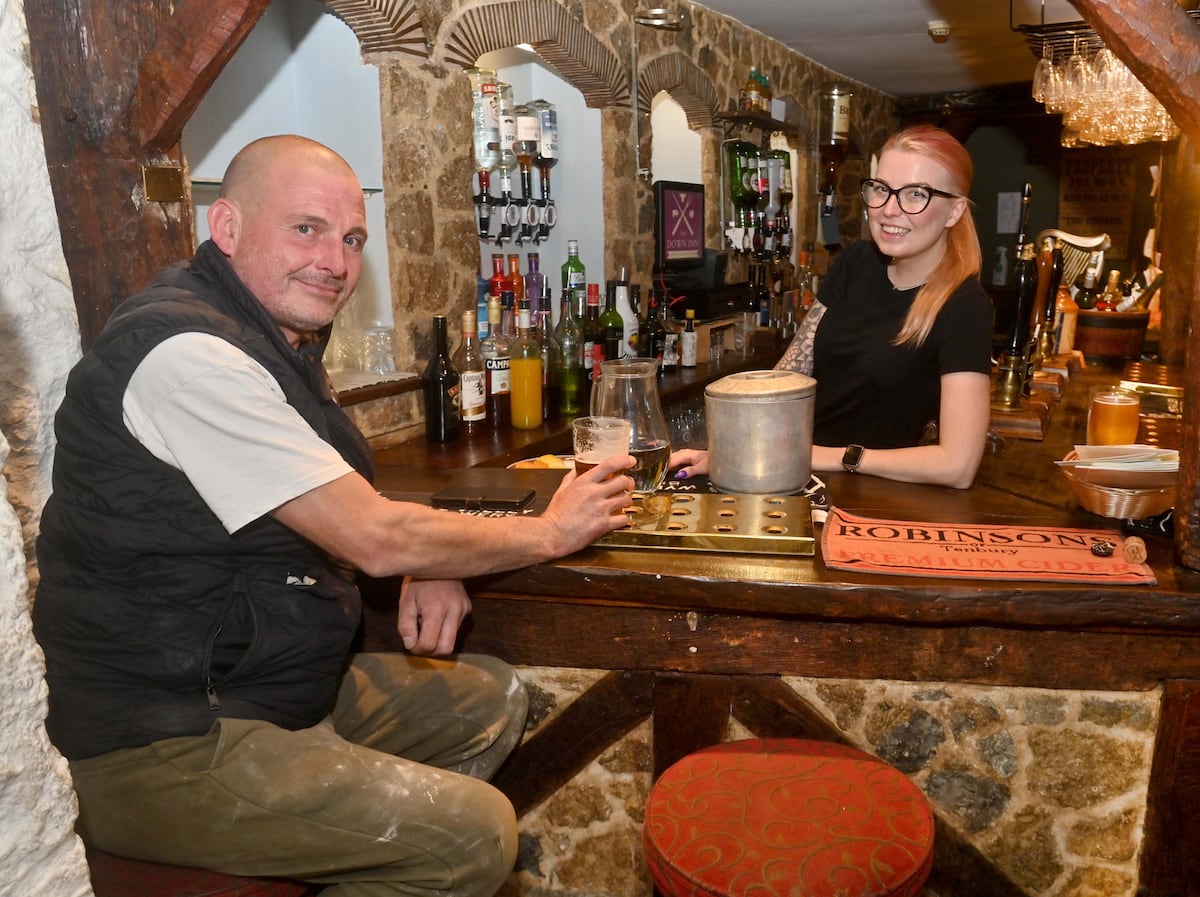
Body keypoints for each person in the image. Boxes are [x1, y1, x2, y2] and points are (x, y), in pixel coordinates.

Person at [32, 134, 635, 897]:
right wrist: (552, 529)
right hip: (162, 737)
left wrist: (431, 554)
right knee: (473, 836)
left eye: (351, 238)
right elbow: (371, 534)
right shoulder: (186, 354)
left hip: (263, 691)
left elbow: (338, 509)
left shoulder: (273, 343)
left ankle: (352, 850)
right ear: (227, 229)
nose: (336, 261)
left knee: (488, 699)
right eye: (306, 229)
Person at [673, 125, 992, 489]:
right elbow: (791, 370)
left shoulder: (964, 308)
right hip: (791, 474)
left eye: (916, 194)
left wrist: (827, 455)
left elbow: (958, 465)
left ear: (954, 212)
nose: (889, 210)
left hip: (872, 497)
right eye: (882, 190)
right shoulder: (856, 262)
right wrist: (737, 447)